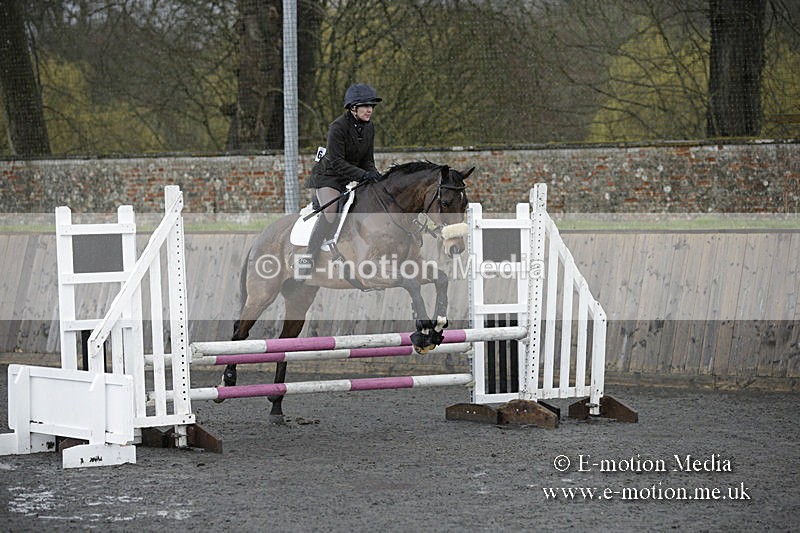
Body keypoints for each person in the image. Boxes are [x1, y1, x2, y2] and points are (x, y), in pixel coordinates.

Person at [303, 83, 384, 264]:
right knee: (331, 211)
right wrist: (363, 175)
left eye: (371, 106)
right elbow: (337, 162)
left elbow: (367, 160)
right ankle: (308, 257)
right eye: (365, 106)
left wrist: (375, 176)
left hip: (349, 176)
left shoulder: (369, 127)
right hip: (328, 177)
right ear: (353, 108)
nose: (369, 110)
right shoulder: (338, 127)